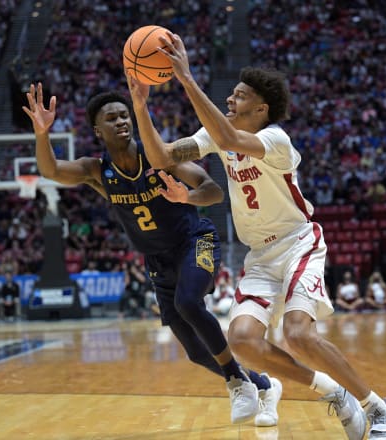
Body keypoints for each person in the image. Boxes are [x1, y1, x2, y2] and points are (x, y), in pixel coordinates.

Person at [127, 32, 386, 439]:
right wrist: (140, 107)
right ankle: (332, 392)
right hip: (259, 254)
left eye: (238, 96)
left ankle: (381, 410)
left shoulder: (276, 139)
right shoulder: (216, 136)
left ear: (261, 108)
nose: (230, 100)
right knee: (242, 340)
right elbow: (160, 157)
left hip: (298, 243)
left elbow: (227, 137)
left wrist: (187, 79)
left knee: (298, 332)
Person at [22, 83, 281, 426]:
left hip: (196, 241)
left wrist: (185, 198)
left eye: (124, 115)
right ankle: (262, 385)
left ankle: (236, 381)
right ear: (98, 130)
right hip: (158, 261)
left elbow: (213, 190)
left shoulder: (160, 156)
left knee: (188, 303)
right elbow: (51, 170)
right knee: (194, 350)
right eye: (111, 118)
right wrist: (42, 133)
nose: (120, 122)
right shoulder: (98, 171)